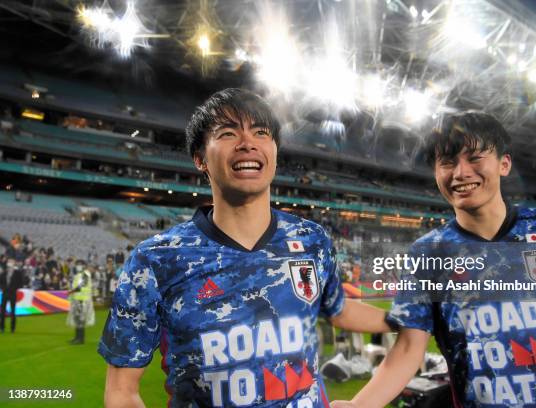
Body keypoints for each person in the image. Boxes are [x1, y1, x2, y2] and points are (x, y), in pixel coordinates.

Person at [99, 88, 391, 407]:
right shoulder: (156, 260)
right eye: (227, 132)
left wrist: (403, 318)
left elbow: (338, 309)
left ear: (275, 152)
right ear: (200, 159)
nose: (247, 142)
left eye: (261, 132)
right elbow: (121, 391)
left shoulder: (312, 240)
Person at [332, 111, 536, 407]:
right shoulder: (428, 253)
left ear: (504, 164)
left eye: (475, 158)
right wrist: (359, 405)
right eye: (447, 162)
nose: (461, 172)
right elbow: (408, 348)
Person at [67, 259, 95, 344]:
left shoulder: (85, 275)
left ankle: (80, 339)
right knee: (77, 319)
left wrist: (71, 291)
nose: (78, 266)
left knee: (80, 319)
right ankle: (77, 337)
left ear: (83, 266)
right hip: (77, 299)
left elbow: (81, 285)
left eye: (79, 264)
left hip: (83, 300)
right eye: (77, 264)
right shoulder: (79, 275)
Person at [0, 257, 24, 333]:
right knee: (2, 311)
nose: (10, 263)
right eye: (9, 262)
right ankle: (2, 327)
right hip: (5, 293)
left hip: (13, 293)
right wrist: (3, 288)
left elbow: (21, 283)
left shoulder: (17, 273)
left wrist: (15, 288)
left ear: (14, 264)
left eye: (11, 262)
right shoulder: (4, 273)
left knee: (13, 311)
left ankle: (12, 328)